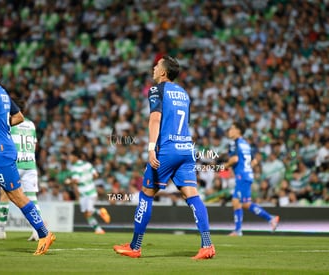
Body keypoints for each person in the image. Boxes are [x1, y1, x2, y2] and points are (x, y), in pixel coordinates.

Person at [113, 55, 215, 260]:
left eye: (157, 65)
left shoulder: (157, 89)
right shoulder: (184, 93)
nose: (153, 67)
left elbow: (155, 119)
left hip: (167, 150)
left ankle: (135, 246)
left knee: (146, 193)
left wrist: (151, 149)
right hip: (186, 149)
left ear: (163, 73)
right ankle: (207, 245)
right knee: (192, 195)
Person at [0, 60, 55, 255]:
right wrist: (3, 125)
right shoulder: (2, 92)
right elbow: (19, 116)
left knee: (16, 196)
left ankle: (44, 233)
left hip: (1, 153)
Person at [223, 122, 280, 236]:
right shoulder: (246, 144)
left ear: (238, 131)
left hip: (242, 176)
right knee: (238, 202)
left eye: (232, 128)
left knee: (243, 203)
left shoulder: (234, 143)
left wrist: (224, 167)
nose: (230, 130)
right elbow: (254, 161)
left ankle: (269, 219)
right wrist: (246, 168)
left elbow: (234, 159)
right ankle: (238, 230)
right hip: (247, 175)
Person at [0, 113, 42, 241]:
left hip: (15, 164)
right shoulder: (31, 124)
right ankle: (38, 231)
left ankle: (1, 229)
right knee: (32, 198)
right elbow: (34, 145)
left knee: (5, 193)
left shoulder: (10, 123)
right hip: (30, 164)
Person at [66, 148, 111, 234]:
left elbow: (75, 181)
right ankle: (98, 229)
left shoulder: (75, 168)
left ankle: (100, 212)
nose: (69, 158)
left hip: (85, 192)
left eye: (71, 157)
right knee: (86, 213)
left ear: (75, 157)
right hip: (91, 190)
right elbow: (96, 175)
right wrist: (88, 181)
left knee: (89, 211)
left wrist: (68, 182)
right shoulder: (87, 164)